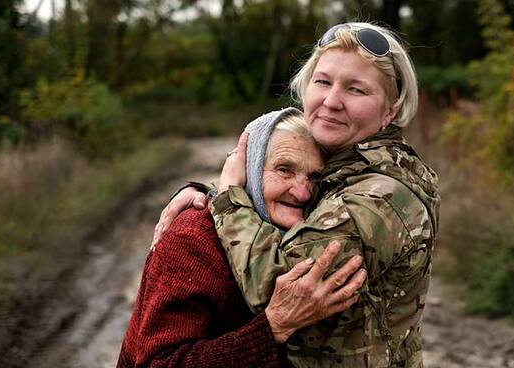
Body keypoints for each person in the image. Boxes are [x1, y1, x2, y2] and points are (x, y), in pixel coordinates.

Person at [157, 22, 440, 367]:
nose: (332, 101)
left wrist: (229, 197)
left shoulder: (378, 197)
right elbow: (293, 206)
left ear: (390, 110)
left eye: (356, 90)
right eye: (322, 82)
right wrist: (207, 193)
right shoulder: (347, 167)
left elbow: (279, 292)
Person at [117, 108, 367, 368]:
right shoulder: (193, 239)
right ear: (250, 170)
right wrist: (272, 328)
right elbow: (160, 363)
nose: (303, 193)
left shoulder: (311, 234)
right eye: (284, 170)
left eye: (314, 177)